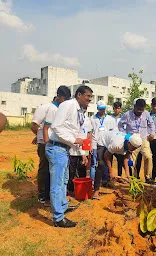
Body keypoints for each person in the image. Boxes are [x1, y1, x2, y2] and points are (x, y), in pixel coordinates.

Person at [45, 85, 93, 228]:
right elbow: (56, 127)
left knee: (64, 181)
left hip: (64, 149)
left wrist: (82, 152)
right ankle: (58, 218)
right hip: (56, 148)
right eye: (87, 96)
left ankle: (63, 206)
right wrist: (74, 141)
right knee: (57, 184)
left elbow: (76, 132)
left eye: (91, 97)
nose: (89, 100)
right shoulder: (68, 105)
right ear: (79, 95)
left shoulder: (79, 111)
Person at [93, 131, 142, 199]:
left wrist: (128, 176)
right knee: (101, 164)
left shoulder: (132, 144)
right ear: (129, 143)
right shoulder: (118, 145)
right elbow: (107, 155)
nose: (134, 150)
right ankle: (96, 191)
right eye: (133, 148)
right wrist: (111, 171)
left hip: (112, 144)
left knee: (120, 160)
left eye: (135, 148)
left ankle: (107, 182)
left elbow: (126, 159)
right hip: (103, 142)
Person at [118, 98, 155, 184]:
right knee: (131, 160)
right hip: (132, 140)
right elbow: (120, 125)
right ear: (134, 107)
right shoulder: (127, 114)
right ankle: (132, 178)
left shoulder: (146, 114)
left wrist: (152, 133)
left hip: (143, 139)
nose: (139, 112)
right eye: (138, 109)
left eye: (141, 110)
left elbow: (151, 124)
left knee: (148, 156)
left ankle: (148, 177)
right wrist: (125, 135)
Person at [31, 101, 52, 204]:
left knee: (52, 170)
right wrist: (39, 136)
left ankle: (49, 194)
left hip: (54, 143)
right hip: (44, 143)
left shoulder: (60, 109)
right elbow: (34, 125)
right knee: (44, 168)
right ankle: (42, 195)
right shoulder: (44, 108)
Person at [67, 106, 92, 194]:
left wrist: (88, 148)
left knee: (82, 168)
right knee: (71, 170)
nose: (83, 110)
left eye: (85, 108)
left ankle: (81, 189)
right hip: (73, 149)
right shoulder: (73, 119)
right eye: (82, 108)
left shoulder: (88, 120)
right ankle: (70, 189)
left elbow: (89, 134)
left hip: (84, 148)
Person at [90, 100, 116, 183]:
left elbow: (113, 132)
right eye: (100, 109)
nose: (102, 111)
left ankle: (105, 180)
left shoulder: (110, 119)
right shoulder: (92, 119)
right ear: (97, 108)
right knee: (94, 163)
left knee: (105, 162)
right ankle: (92, 181)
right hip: (95, 143)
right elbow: (90, 132)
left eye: (103, 109)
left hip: (106, 144)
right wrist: (90, 145)